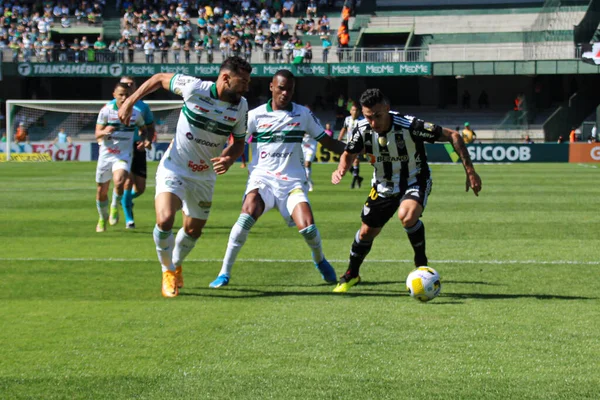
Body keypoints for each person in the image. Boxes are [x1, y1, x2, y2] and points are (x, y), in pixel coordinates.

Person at [118, 56, 252, 298]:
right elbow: (159, 79)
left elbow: (239, 142)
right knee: (165, 219)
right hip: (175, 168)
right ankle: (167, 270)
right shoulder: (194, 87)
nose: (246, 87)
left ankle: (176, 262)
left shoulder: (241, 106)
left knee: (193, 231)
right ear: (225, 78)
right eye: (242, 82)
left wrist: (230, 158)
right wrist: (129, 101)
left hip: (204, 177)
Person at [330, 88, 482, 293]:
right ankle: (352, 274)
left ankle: (421, 264)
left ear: (387, 108)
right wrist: (341, 168)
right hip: (382, 185)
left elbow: (453, 135)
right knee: (366, 232)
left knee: (407, 216)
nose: (373, 122)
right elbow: (349, 153)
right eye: (368, 117)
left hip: (414, 180)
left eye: (378, 116)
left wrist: (470, 172)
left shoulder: (410, 126)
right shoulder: (361, 128)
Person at [209, 69, 346, 289]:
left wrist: (356, 151)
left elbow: (329, 142)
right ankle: (224, 272)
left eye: (289, 89)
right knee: (245, 217)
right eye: (281, 88)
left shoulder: (302, 114)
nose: (285, 93)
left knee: (308, 228)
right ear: (272, 87)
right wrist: (225, 158)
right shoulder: (254, 116)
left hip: (292, 183)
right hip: (263, 180)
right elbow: (237, 144)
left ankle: (319, 259)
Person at [95, 82, 147, 233]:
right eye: (121, 95)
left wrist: (144, 140)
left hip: (123, 155)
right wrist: (105, 132)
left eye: (127, 95)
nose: (124, 98)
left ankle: (114, 206)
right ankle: (102, 218)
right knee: (101, 191)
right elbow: (97, 133)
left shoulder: (136, 113)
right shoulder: (106, 111)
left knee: (119, 181)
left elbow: (144, 130)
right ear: (114, 95)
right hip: (106, 155)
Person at [118, 76, 156, 229]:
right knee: (127, 182)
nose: (128, 86)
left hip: (137, 146)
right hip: (122, 148)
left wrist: (147, 140)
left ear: (135, 86)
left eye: (130, 84)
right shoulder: (113, 106)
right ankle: (129, 220)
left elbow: (149, 127)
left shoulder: (142, 107)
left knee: (140, 188)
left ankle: (125, 201)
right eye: (124, 84)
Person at [338, 103, 363, 189]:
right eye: (353, 110)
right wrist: (339, 139)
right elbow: (344, 129)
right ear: (350, 111)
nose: (354, 112)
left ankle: (354, 181)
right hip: (348, 143)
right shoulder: (347, 119)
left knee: (356, 160)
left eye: (356, 110)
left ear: (359, 112)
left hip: (357, 143)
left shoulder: (361, 120)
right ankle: (357, 177)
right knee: (346, 162)